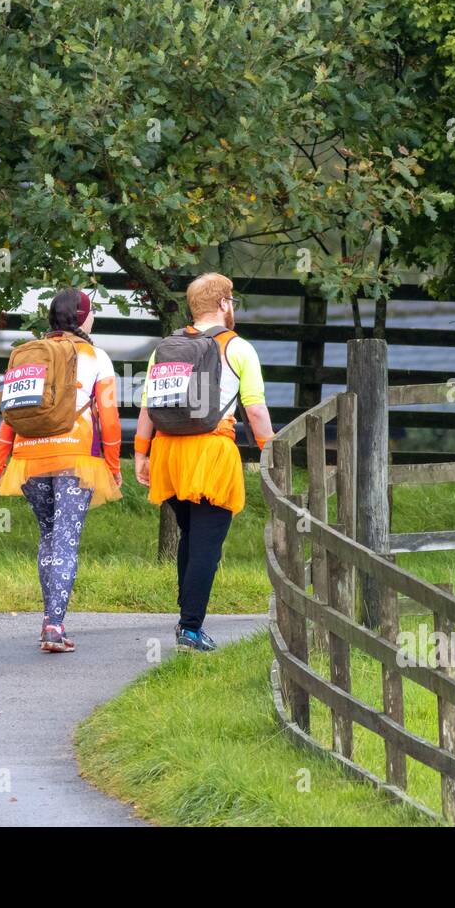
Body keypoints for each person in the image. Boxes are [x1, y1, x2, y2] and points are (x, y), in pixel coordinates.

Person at [133, 272, 274, 652]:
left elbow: (149, 406)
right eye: (233, 303)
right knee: (208, 543)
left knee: (192, 536)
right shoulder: (238, 348)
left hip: (169, 453)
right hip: (212, 453)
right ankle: (190, 629)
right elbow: (256, 412)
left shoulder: (166, 348)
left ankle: (187, 619)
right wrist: (272, 450)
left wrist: (140, 454)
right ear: (225, 304)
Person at [0, 289, 122, 653]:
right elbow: (108, 416)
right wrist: (112, 465)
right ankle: (54, 627)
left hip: (28, 458)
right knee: (66, 539)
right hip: (76, 456)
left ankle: (50, 619)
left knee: (49, 535)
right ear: (82, 318)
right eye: (91, 313)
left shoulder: (29, 357)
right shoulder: (97, 357)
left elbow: (12, 416)